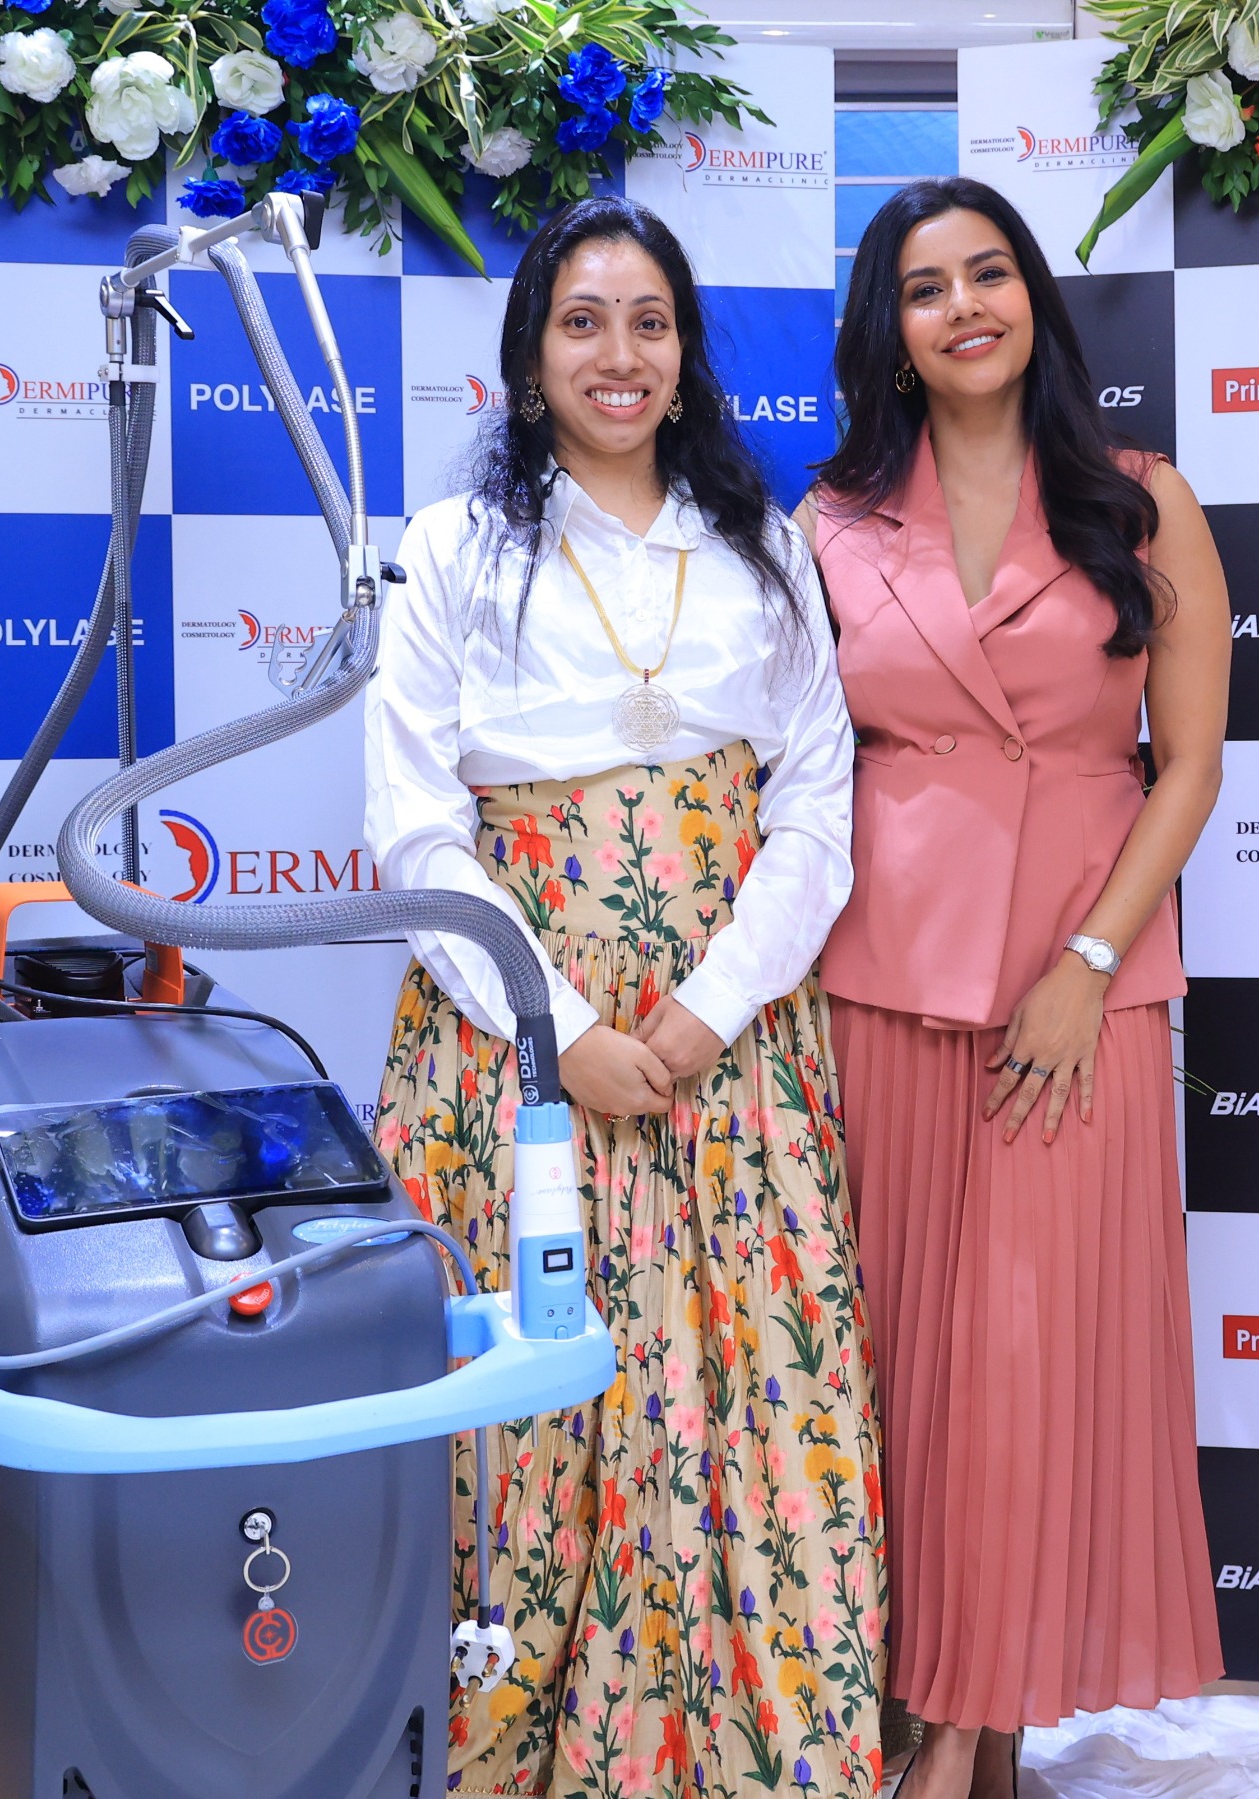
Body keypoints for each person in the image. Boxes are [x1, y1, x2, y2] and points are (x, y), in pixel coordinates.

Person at [366, 196, 884, 1799]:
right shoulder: (454, 552)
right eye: (581, 321)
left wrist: (710, 1006)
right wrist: (562, 1032)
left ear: (686, 355)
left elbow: (817, 804)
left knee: (754, 1405)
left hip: (731, 1062)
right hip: (513, 1059)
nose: (618, 353)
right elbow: (416, 831)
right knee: (521, 1417)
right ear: (530, 356)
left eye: (649, 322)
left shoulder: (762, 547)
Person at [798, 176, 1232, 1799]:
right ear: (892, 329)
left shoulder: (1140, 500)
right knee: (908, 1381)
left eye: (990, 274)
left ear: (1034, 302)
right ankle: (956, 1740)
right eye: (927, 287)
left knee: (1025, 1376)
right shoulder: (829, 522)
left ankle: (960, 1742)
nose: (963, 306)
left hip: (1082, 996)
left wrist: (1090, 963)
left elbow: (1189, 766)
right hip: (883, 987)